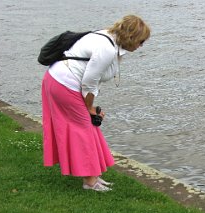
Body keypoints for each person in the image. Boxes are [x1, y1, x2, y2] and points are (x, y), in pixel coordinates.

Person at [41, 15, 150, 192]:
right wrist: (90, 108)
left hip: (58, 79)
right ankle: (90, 182)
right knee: (84, 128)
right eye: (141, 41)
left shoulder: (107, 36)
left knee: (87, 126)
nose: (141, 45)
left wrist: (90, 109)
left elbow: (90, 81)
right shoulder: (106, 49)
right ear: (131, 38)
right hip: (64, 84)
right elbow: (89, 83)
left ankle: (93, 176)